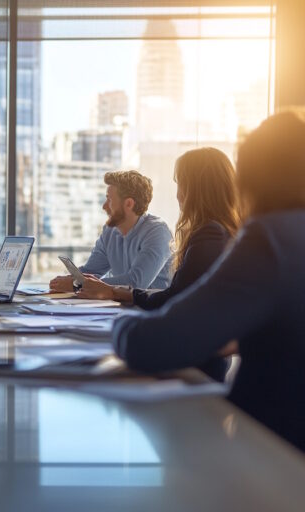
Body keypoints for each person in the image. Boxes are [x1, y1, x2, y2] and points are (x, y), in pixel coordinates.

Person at [112, 109, 305, 452]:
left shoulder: (271, 239)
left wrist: (115, 325)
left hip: (269, 466)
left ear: (252, 182)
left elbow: (157, 342)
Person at [76, 148, 240, 381]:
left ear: (196, 189)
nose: (178, 195)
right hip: (197, 352)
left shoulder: (209, 235)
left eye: (180, 185)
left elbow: (175, 297)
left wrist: (116, 293)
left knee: (120, 336)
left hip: (199, 361)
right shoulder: (219, 231)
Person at [50, 170, 172, 291]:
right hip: (121, 307)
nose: (104, 206)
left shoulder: (158, 233)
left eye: (109, 200)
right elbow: (91, 271)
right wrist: (64, 281)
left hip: (154, 308)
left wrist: (77, 285)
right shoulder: (110, 232)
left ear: (129, 204)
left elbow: (136, 282)